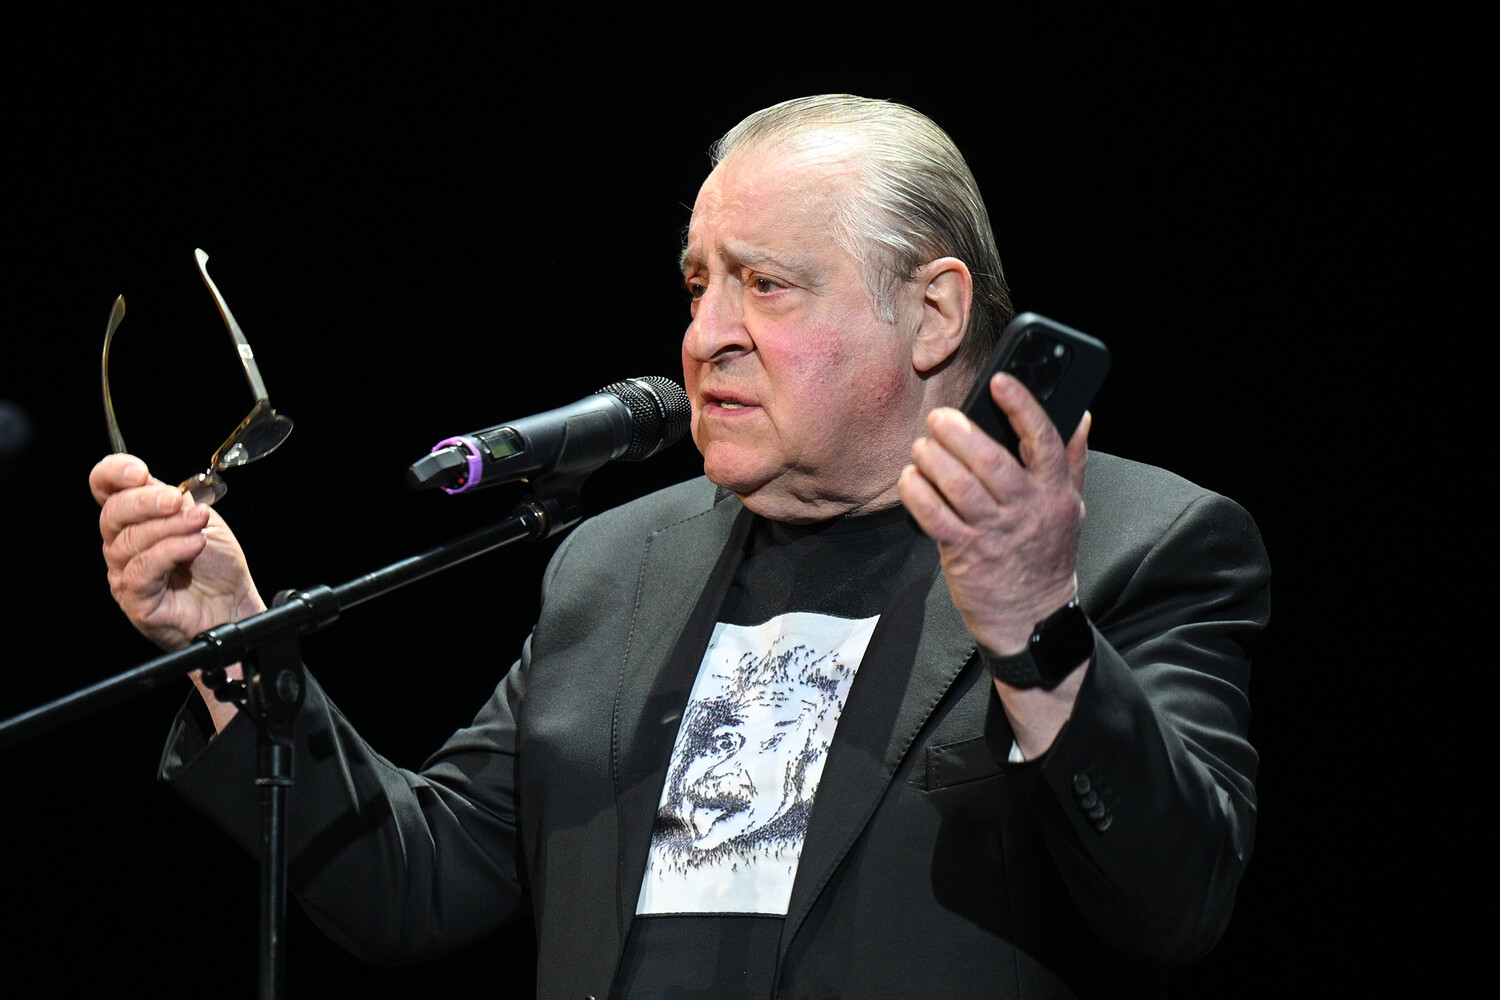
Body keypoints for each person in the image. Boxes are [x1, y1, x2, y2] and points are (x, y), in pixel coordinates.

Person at [90, 95, 1270, 998]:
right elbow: (414, 883)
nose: (706, 335)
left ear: (933, 313)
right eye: (699, 284)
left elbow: (1174, 903)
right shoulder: (616, 568)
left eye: (766, 285)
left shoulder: (1142, 544)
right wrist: (228, 640)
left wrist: (1035, 628)